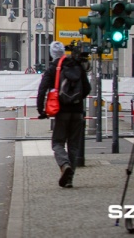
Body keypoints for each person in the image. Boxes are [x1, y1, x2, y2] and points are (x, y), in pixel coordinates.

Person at [36, 41, 91, 189]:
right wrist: (77, 99)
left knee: (58, 143)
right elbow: (87, 88)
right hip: (78, 112)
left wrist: (41, 110)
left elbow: (42, 90)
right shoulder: (77, 65)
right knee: (73, 146)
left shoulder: (53, 69)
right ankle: (69, 179)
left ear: (52, 54)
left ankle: (64, 165)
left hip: (61, 112)